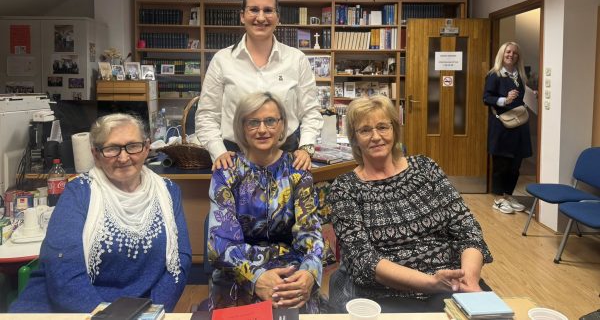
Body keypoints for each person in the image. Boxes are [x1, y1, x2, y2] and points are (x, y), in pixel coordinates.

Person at [10, 113, 192, 313]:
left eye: (133, 146)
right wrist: (105, 316)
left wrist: (152, 312)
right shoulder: (79, 193)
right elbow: (63, 270)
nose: (123, 157)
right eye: (112, 149)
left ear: (147, 148)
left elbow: (179, 261)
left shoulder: (168, 192)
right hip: (63, 307)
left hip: (140, 311)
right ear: (95, 154)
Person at [327, 95, 492, 313]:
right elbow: (363, 260)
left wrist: (468, 281)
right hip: (387, 295)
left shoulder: (425, 168)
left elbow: (468, 229)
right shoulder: (345, 187)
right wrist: (431, 282)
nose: (376, 137)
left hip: (452, 284)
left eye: (382, 127)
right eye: (365, 130)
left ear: (394, 130)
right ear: (354, 138)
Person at [207, 92, 324, 312]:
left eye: (270, 121)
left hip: (291, 273)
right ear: (242, 127)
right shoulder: (227, 172)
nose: (262, 129)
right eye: (253, 122)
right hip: (238, 273)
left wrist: (309, 272)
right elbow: (219, 243)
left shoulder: (297, 170)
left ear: (282, 125)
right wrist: (257, 277)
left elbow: (310, 233)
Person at [195, 0, 323, 171]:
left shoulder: (297, 60)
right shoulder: (222, 60)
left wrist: (306, 148)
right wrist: (218, 152)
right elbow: (207, 115)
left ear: (278, 17)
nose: (261, 17)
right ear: (242, 16)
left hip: (287, 160)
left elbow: (311, 112)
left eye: (268, 10)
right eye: (254, 10)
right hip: (234, 162)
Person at [483, 41, 533, 214]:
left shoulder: (520, 76)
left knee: (515, 165)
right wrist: (505, 99)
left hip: (519, 125)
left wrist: (533, 95)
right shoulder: (494, 75)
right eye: (508, 52)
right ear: (502, 54)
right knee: (501, 164)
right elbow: (486, 98)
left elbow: (523, 97)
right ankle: (498, 199)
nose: (511, 55)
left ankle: (508, 195)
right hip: (502, 127)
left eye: (515, 53)